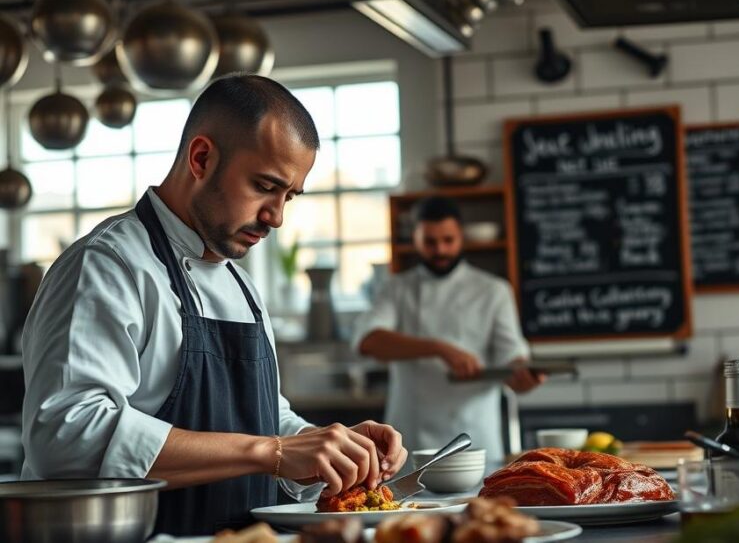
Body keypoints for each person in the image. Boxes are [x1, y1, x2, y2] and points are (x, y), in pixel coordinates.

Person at [20, 75, 407, 536]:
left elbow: (263, 420)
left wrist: (321, 446)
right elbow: (67, 435)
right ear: (201, 158)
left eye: (289, 196)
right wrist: (272, 452)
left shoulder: (239, 284)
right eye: (265, 186)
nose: (277, 217)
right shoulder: (107, 266)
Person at [352, 197, 545, 463]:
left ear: (461, 237)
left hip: (474, 438)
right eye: (430, 242)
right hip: (409, 441)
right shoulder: (396, 289)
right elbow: (367, 341)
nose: (440, 249)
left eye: (448, 240)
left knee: (480, 505)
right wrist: (439, 348)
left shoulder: (493, 290)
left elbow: (511, 358)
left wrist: (522, 377)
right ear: (415, 239)